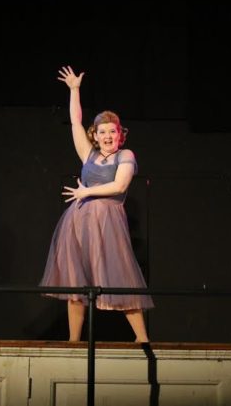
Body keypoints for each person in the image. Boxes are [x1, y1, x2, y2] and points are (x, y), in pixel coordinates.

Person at [39, 66, 154, 342]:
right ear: (96, 134)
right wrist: (75, 90)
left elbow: (120, 186)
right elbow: (76, 122)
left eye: (112, 131)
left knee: (121, 276)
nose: (107, 136)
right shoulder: (88, 155)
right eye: (102, 131)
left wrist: (86, 193)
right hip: (78, 224)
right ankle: (74, 340)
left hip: (108, 223)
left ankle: (142, 338)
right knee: (76, 283)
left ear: (119, 134)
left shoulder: (125, 155)